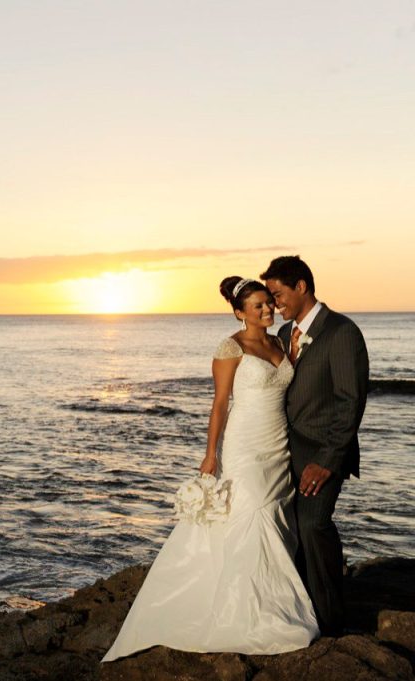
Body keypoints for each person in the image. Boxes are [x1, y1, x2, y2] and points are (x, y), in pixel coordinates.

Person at [103, 276, 318, 662]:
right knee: (253, 515)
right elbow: (219, 405)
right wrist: (210, 454)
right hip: (245, 444)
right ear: (240, 313)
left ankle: (272, 603)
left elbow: (285, 386)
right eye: (258, 306)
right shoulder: (230, 348)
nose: (268, 309)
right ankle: (250, 614)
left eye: (269, 303)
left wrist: (297, 358)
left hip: (278, 444)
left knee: (275, 516)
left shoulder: (281, 342)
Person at [261, 255, 369, 637]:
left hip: (323, 451)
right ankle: (299, 607)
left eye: (278, 294)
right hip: (283, 450)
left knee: (312, 524)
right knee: (285, 528)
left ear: (302, 286)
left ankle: (331, 620)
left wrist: (326, 461)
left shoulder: (341, 332)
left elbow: (350, 401)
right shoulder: (284, 333)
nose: (275, 304)